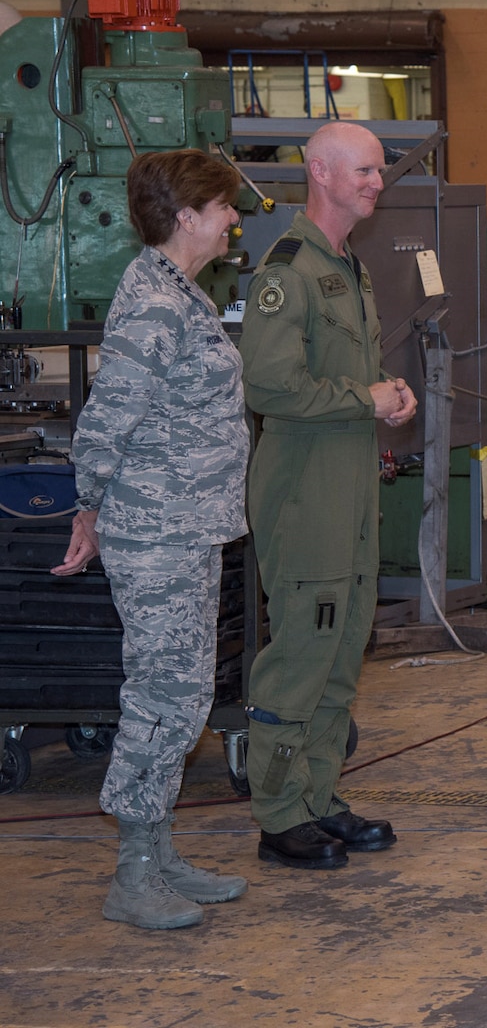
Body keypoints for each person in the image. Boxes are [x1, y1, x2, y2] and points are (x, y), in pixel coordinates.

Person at [54, 150, 250, 929]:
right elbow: (107, 417)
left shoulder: (181, 293)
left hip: (190, 524)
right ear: (189, 216)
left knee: (186, 692)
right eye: (225, 206)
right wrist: (89, 505)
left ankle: (159, 848)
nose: (235, 217)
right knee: (162, 694)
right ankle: (133, 872)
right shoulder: (156, 303)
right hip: (157, 529)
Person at [240, 122, 418, 870]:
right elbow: (271, 386)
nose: (378, 183)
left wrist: (388, 399)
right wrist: (364, 395)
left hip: (348, 493)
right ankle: (280, 813)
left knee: (343, 652)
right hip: (304, 496)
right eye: (365, 171)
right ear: (319, 171)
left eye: (380, 172)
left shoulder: (350, 266)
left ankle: (319, 796)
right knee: (303, 653)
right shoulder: (288, 270)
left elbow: (347, 384)